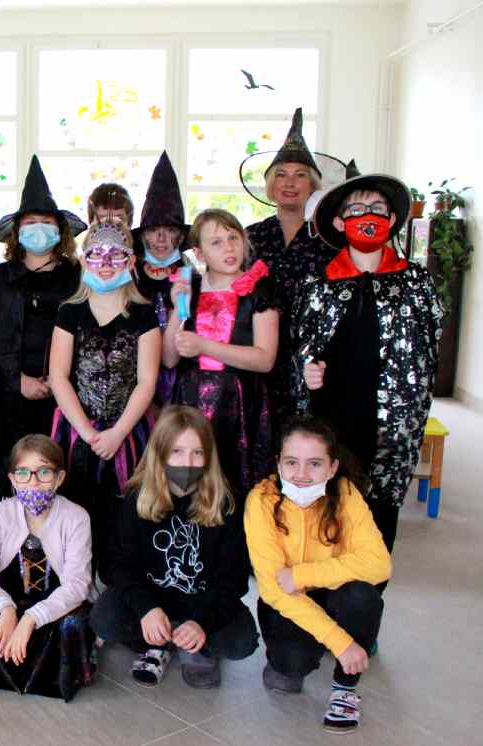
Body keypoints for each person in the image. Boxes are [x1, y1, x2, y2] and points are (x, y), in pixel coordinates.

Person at [294, 166, 443, 559]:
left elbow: (429, 350)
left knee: (378, 511)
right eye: (357, 210)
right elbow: (301, 344)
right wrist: (306, 368)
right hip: (332, 413)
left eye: (377, 209)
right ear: (339, 221)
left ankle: (368, 585)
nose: (367, 217)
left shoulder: (416, 283)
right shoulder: (318, 282)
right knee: (327, 504)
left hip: (391, 418)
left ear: (392, 219)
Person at [92, 407, 257, 689]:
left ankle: (192, 642)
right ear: (160, 454)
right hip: (153, 597)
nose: (187, 463)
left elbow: (234, 577)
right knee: (104, 619)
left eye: (197, 453)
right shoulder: (137, 498)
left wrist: (202, 621)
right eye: (177, 452)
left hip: (202, 601)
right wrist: (146, 609)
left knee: (241, 642)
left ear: (209, 457)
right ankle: (159, 641)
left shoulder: (227, 503)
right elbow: (119, 565)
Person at [245, 417, 391, 733]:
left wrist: (301, 575)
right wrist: (340, 641)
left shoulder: (346, 494)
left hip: (328, 592)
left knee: (362, 597)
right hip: (287, 601)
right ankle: (317, 647)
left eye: (314, 464)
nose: (301, 474)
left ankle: (344, 688)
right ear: (278, 463)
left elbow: (379, 564)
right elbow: (273, 589)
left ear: (332, 467)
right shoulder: (261, 500)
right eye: (291, 462)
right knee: (290, 668)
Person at [0, 156, 85, 537]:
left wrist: (58, 381)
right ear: (17, 232)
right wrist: (16, 379)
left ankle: (62, 553)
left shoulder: (78, 278)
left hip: (65, 398)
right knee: (16, 478)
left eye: (46, 223)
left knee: (62, 475)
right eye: (30, 223)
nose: (38, 230)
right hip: (10, 399)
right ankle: (12, 553)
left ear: (60, 231)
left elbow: (87, 332)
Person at [49, 222, 160, 583]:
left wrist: (117, 433)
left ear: (131, 261)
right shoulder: (70, 312)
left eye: (117, 255)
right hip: (76, 428)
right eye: (97, 254)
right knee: (77, 507)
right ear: (84, 260)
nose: (107, 263)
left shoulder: (144, 315)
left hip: (128, 430)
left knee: (124, 511)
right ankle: (77, 586)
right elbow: (58, 377)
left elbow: (146, 381)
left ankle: (120, 586)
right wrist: (85, 432)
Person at [0, 435, 95, 701]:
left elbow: (77, 585)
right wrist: (5, 608)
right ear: (13, 479)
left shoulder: (76, 517)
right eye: (24, 473)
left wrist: (30, 619)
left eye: (44, 472)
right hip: (11, 598)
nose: (33, 482)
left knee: (73, 621)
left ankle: (52, 678)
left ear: (59, 478)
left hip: (55, 602)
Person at [164, 209, 277, 506]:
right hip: (190, 402)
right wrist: (177, 308)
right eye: (216, 242)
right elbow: (169, 359)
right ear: (199, 253)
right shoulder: (191, 288)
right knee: (189, 481)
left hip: (239, 403)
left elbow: (265, 359)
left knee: (235, 484)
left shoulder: (258, 288)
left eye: (233, 238)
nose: (229, 248)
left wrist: (204, 345)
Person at [243, 109, 336, 429]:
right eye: (282, 174)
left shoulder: (327, 242)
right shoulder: (251, 237)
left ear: (312, 185)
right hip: (259, 353)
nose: (290, 182)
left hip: (309, 360)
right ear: (271, 184)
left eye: (300, 175)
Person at [130, 152, 187, 405]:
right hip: (133, 382)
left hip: (180, 385)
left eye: (170, 230)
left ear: (181, 237)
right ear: (143, 236)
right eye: (154, 230)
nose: (161, 238)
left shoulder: (190, 280)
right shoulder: (128, 279)